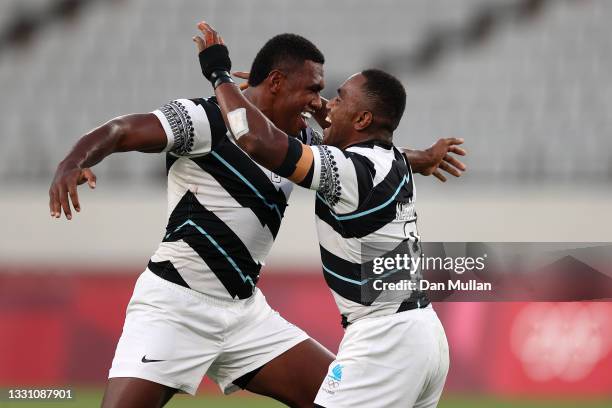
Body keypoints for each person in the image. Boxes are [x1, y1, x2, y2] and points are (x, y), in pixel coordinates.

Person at [49, 33, 463, 408]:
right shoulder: (204, 119)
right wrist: (73, 161)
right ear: (278, 82)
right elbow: (122, 130)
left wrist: (414, 158)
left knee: (341, 390)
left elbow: (360, 159)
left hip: (246, 313)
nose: (320, 103)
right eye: (315, 90)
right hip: (176, 303)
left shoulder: (299, 139)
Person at [195, 22, 452, 407]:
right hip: (424, 335)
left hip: (386, 340)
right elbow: (353, 137)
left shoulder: (348, 170)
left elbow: (254, 140)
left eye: (340, 98)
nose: (326, 103)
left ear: (363, 120)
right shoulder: (392, 160)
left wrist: (221, 76)